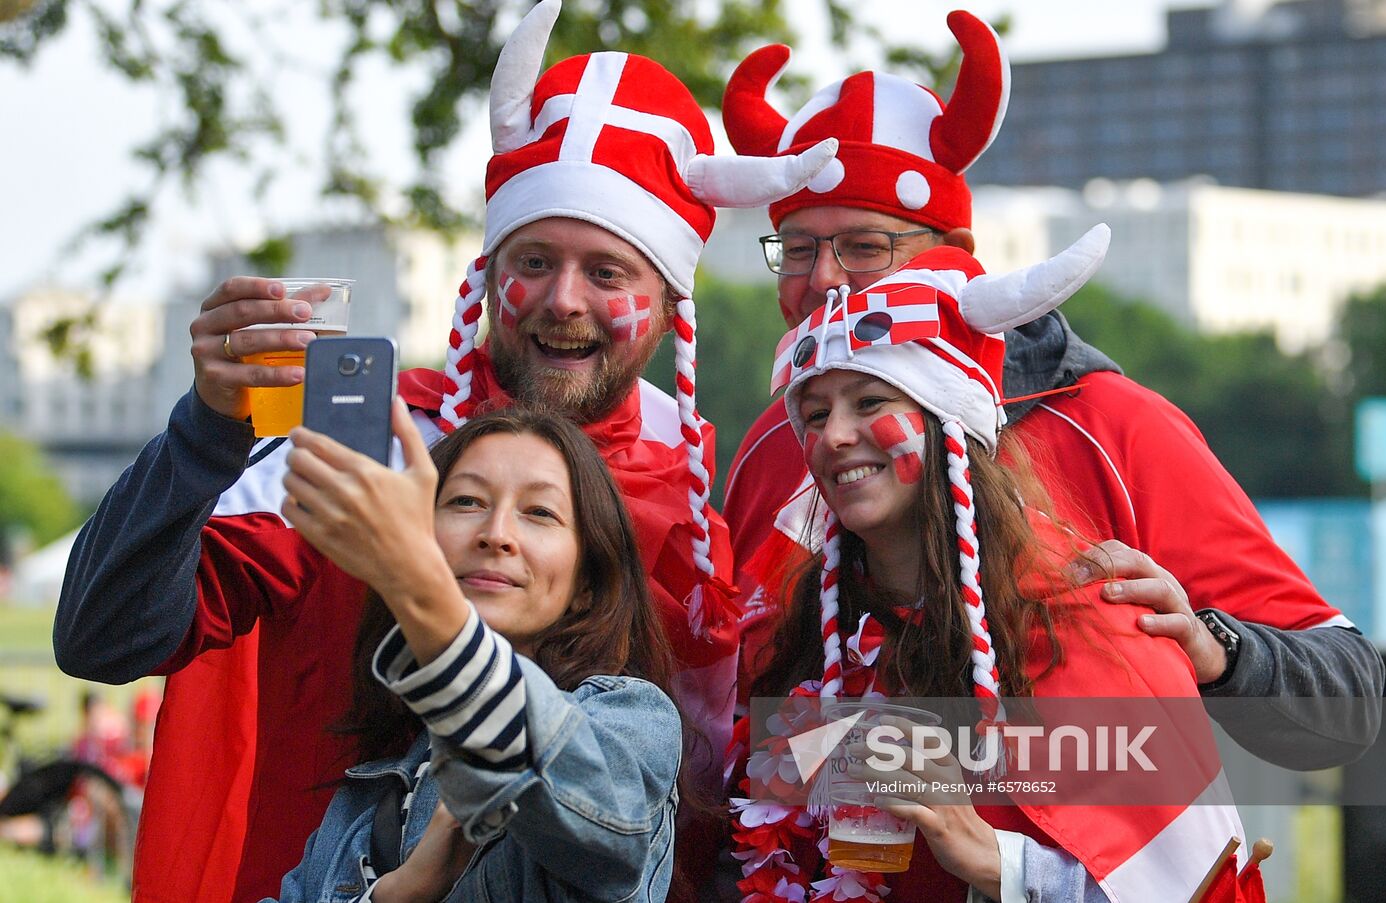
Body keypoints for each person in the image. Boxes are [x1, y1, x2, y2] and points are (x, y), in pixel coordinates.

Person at [53, 1, 838, 898]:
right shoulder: (369, 443)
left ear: (668, 307)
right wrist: (206, 427)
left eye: (606, 271)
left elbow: (752, 763)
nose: (563, 299)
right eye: (534, 260)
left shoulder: (699, 484)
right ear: (487, 276)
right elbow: (102, 637)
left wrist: (962, 806)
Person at [717, 10, 1381, 765]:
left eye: (865, 246)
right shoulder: (776, 442)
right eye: (798, 249)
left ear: (955, 256)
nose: (825, 281)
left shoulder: (1109, 423)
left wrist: (1213, 648)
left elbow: (1349, 697)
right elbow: (733, 725)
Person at [728, 238, 1267, 902]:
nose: (834, 434)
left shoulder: (1096, 625)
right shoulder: (801, 636)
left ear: (949, 426)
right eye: (816, 414)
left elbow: (1203, 888)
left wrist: (998, 862)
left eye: (869, 403)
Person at [269, 403, 682, 903]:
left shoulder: (630, 720)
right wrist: (395, 893)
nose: (496, 534)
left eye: (540, 512)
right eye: (466, 501)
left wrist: (425, 595)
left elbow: (607, 834)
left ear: (586, 586)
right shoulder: (366, 795)